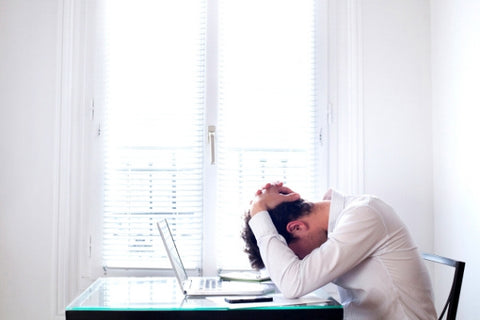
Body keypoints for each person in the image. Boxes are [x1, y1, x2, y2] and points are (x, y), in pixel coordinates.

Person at [242, 182, 436, 320]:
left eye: (294, 256)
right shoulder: (341, 216)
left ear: (297, 228)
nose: (299, 260)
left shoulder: (364, 215)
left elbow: (293, 283)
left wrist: (258, 209)